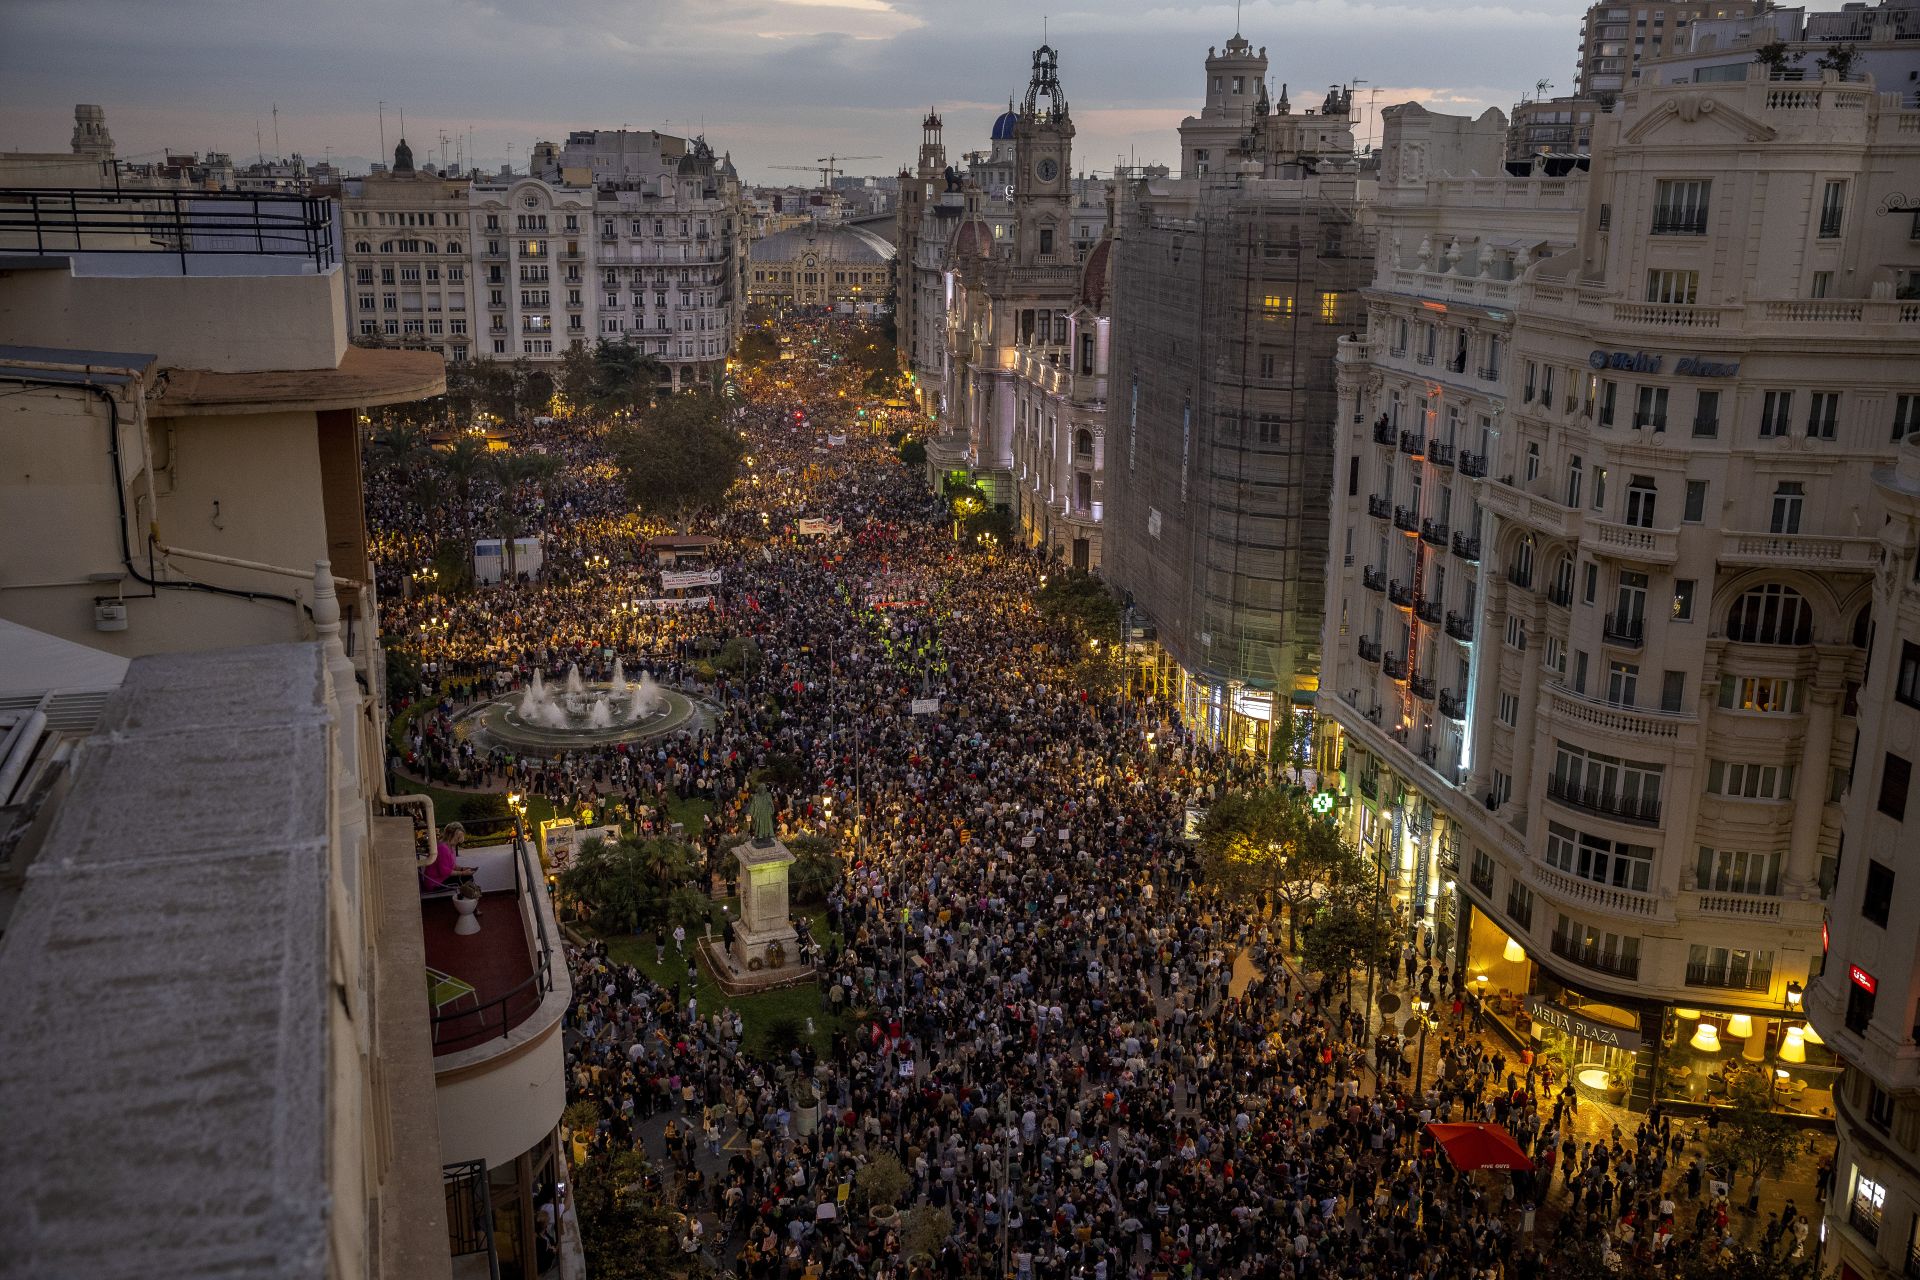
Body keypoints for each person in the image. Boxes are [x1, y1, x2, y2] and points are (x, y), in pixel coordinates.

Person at [421, 822, 474, 889]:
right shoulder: (442, 848)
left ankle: (467, 897)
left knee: (467, 877)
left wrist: (463, 869)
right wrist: (463, 873)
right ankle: (468, 898)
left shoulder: (450, 847)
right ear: (451, 835)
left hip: (442, 878)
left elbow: (452, 866)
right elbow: (444, 872)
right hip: (435, 882)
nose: (458, 841)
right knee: (467, 878)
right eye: (457, 838)